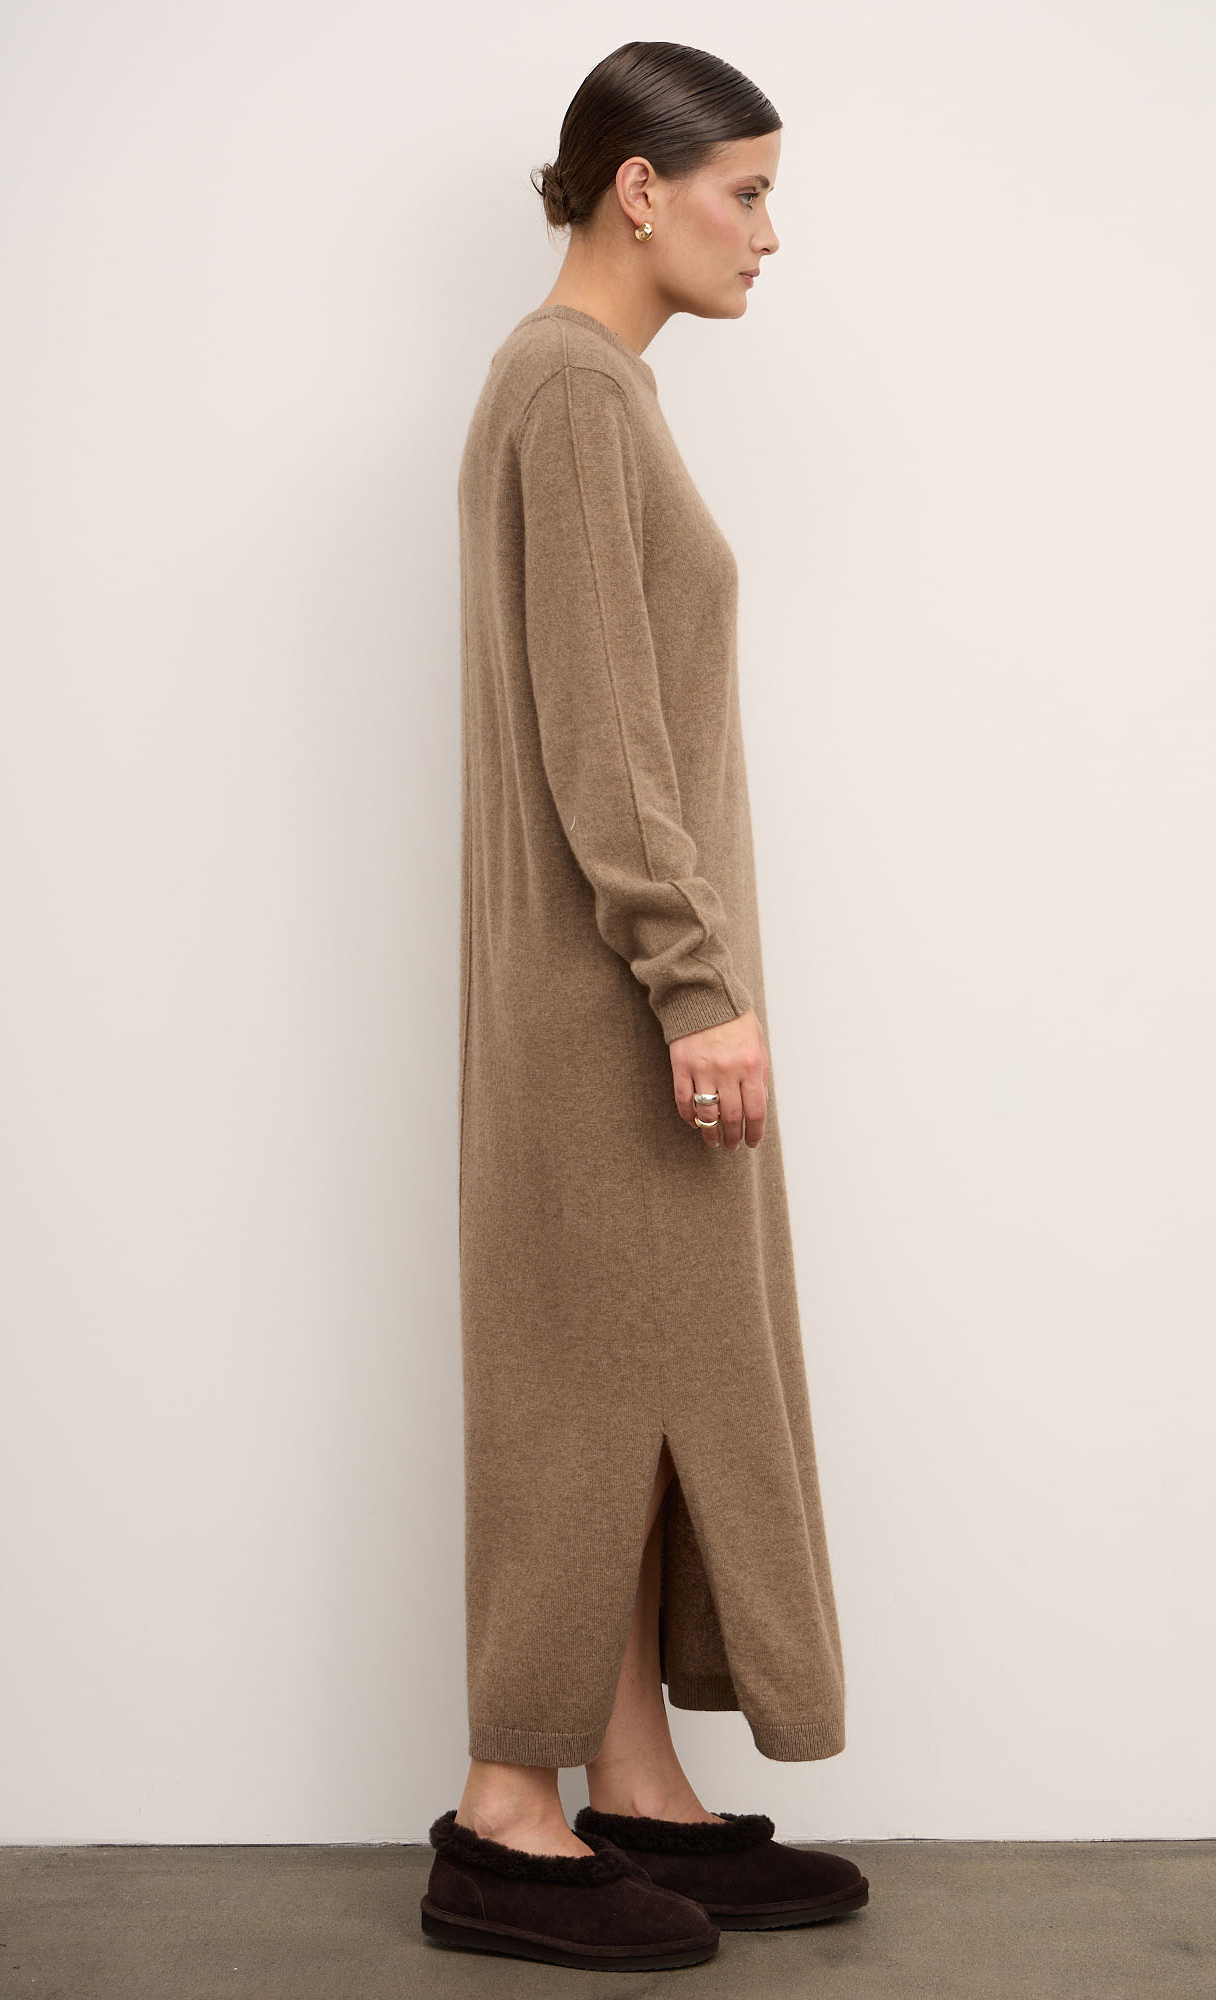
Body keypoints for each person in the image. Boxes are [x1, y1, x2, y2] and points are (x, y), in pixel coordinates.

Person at [421, 41, 867, 1971]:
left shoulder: (581, 387)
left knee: (627, 1390)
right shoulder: (570, 388)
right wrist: (697, 987)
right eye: (744, 192)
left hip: (601, 1003)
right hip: (613, 1007)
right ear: (637, 187)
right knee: (582, 1392)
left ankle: (633, 1788)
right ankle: (501, 1820)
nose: (768, 233)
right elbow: (605, 736)